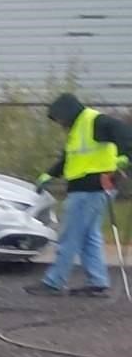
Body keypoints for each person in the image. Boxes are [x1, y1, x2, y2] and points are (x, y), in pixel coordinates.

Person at [39, 92, 128, 295]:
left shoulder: (95, 121)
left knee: (71, 234)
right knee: (89, 235)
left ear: (67, 112)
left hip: (92, 186)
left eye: (59, 118)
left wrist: (124, 156)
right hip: (90, 187)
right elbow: (68, 160)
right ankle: (97, 281)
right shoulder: (77, 129)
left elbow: (124, 132)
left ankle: (54, 281)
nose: (59, 122)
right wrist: (49, 175)